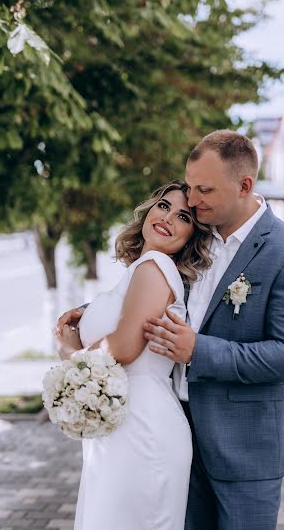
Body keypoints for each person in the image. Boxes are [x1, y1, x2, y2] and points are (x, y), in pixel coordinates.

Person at [58, 130, 284, 530]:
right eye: (190, 185)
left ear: (244, 185)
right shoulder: (196, 239)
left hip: (244, 450)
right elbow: (148, 291)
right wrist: (88, 311)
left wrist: (197, 350)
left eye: (204, 190)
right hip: (177, 432)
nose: (193, 199)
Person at [54, 180, 212, 530]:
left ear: (191, 236)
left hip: (142, 428)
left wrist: (69, 351)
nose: (168, 218)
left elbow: (124, 347)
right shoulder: (140, 271)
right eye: (164, 206)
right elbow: (124, 323)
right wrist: (87, 313)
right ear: (149, 209)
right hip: (120, 422)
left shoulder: (155, 265)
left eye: (183, 216)